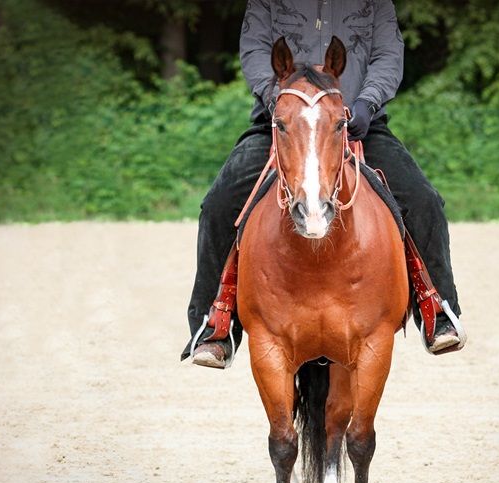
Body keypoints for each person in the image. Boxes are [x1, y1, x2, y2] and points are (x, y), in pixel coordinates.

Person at [182, 0, 466, 368]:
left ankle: (438, 309)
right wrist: (281, 103)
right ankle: (213, 325)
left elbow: (387, 54)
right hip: (285, 121)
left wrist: (365, 103)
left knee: (424, 200)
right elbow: (254, 50)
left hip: (355, 120)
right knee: (219, 204)